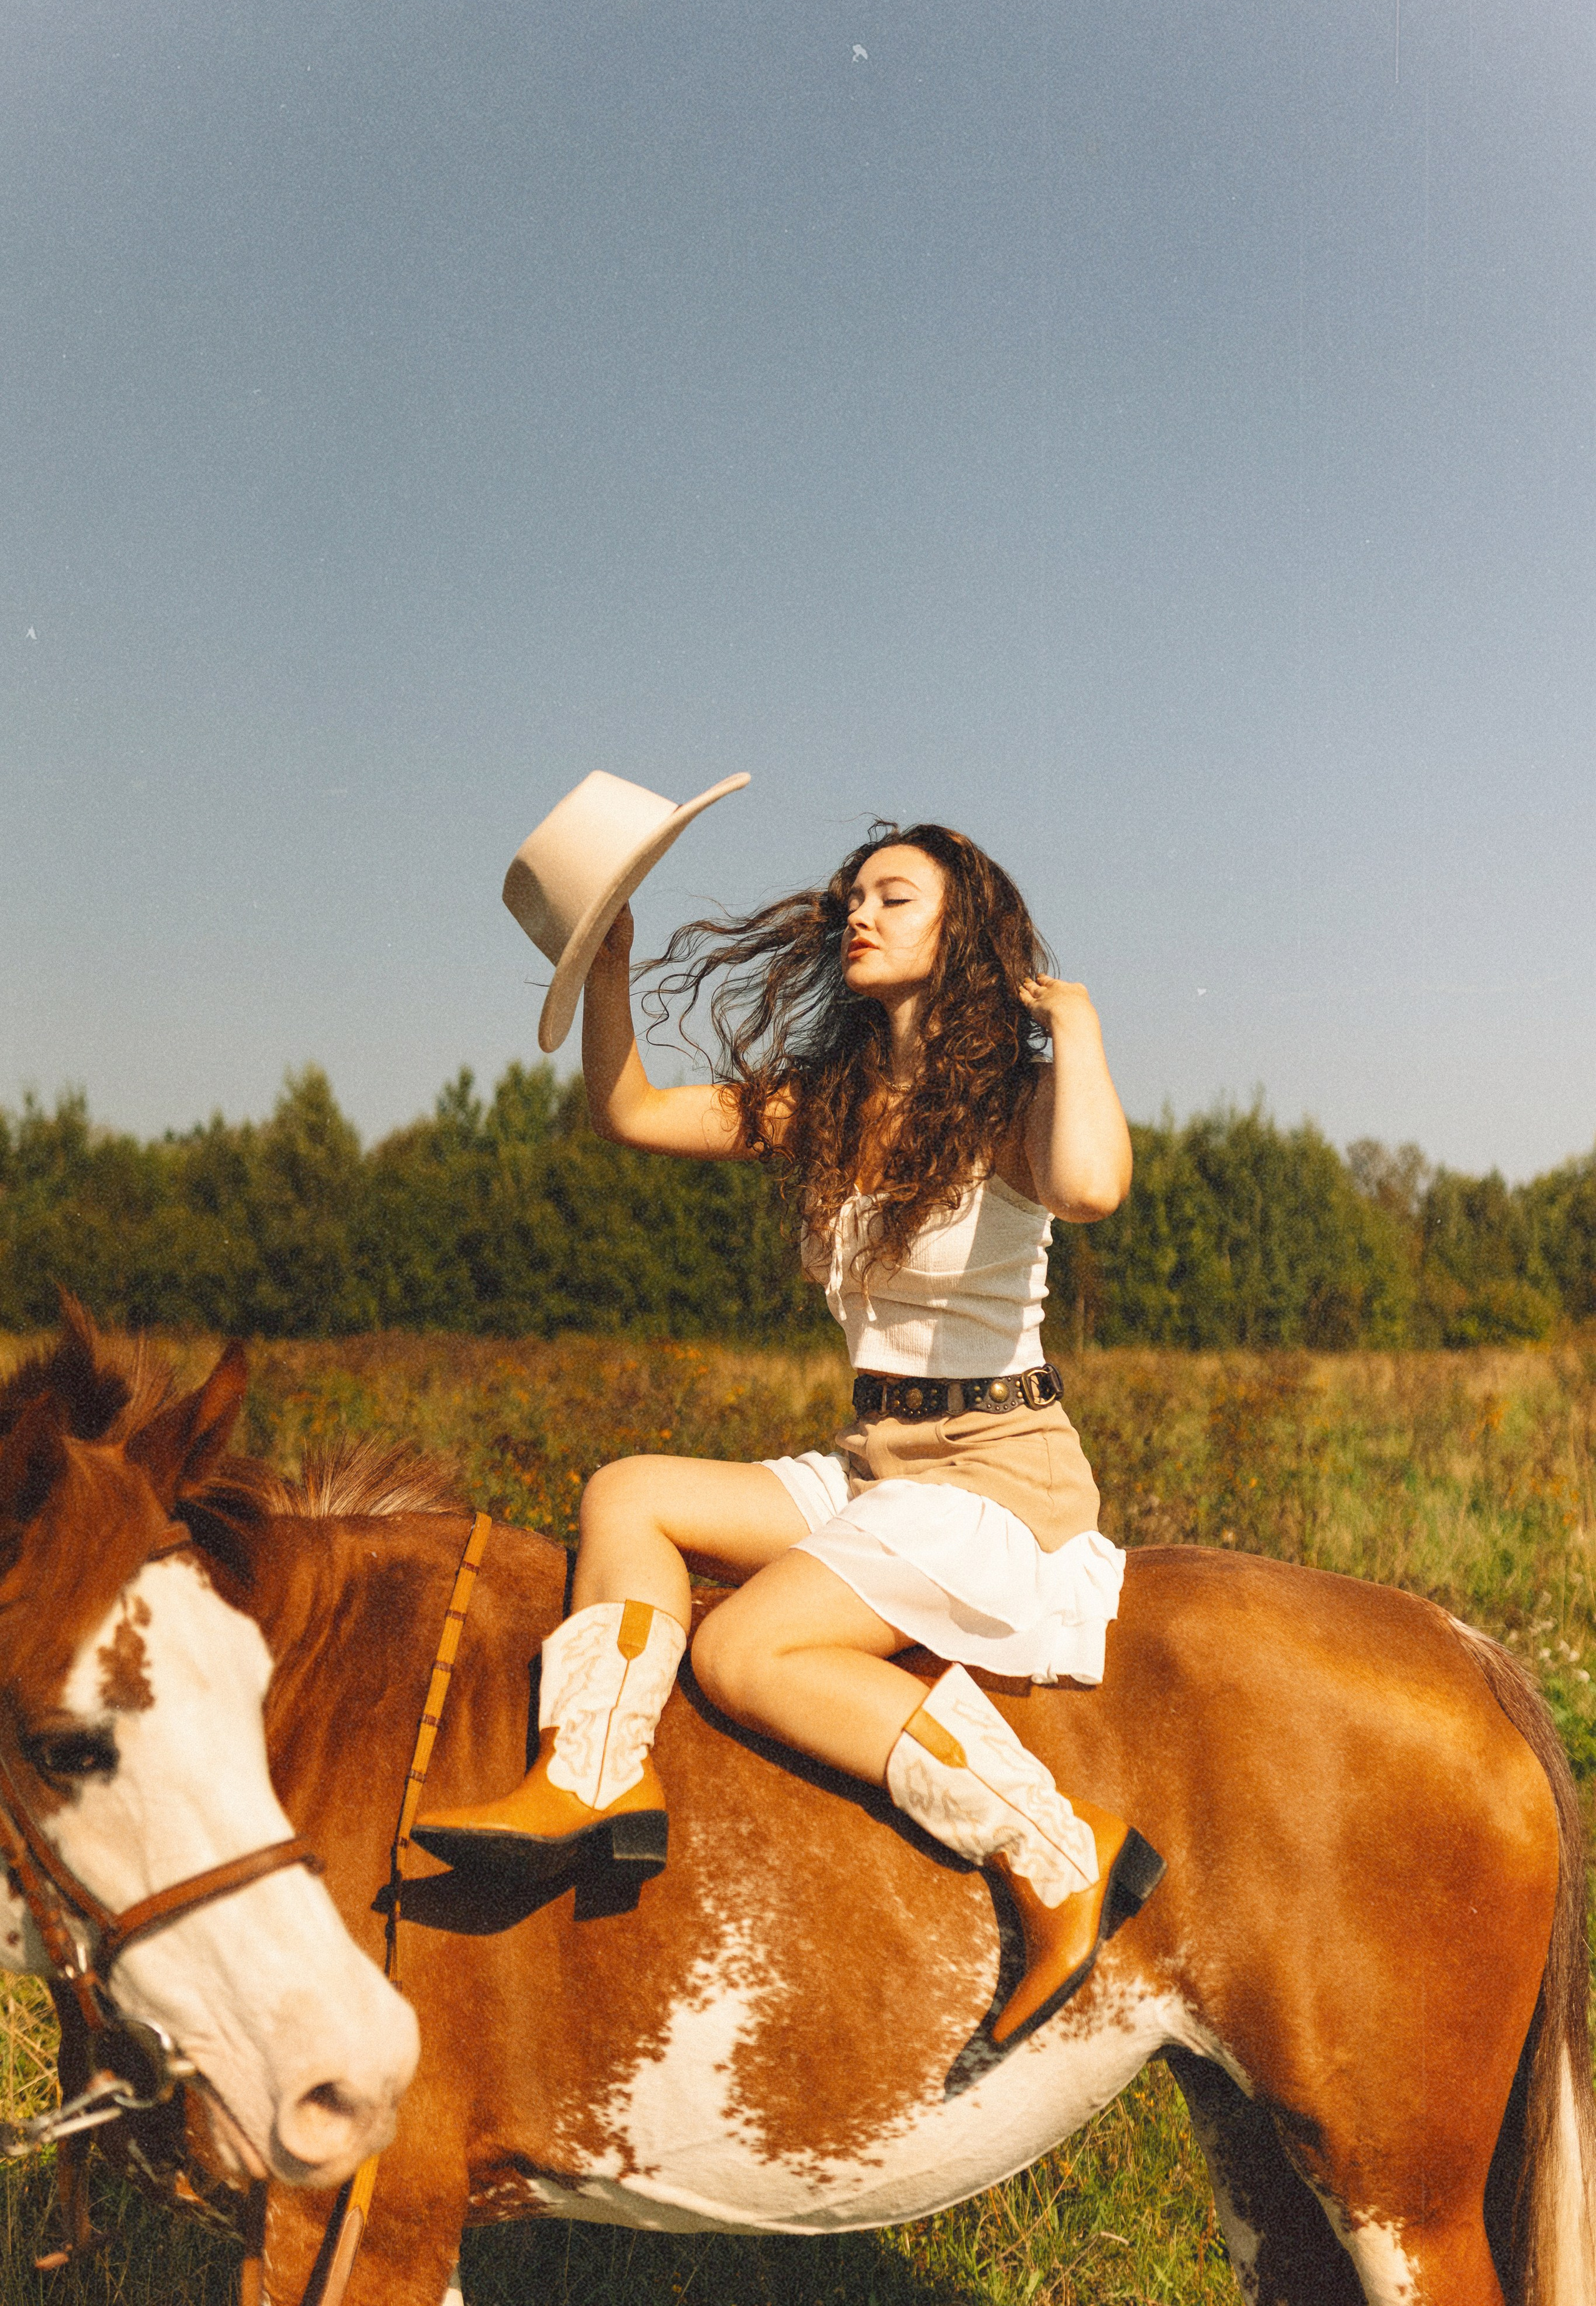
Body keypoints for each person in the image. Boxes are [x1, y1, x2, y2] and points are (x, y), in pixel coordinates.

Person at [417, 823, 1163, 2048]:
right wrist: (604, 975)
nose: (855, 917)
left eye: (892, 898)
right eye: (849, 901)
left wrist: (1072, 1033)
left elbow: (1089, 1189)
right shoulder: (828, 1105)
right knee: (628, 1494)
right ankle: (594, 1775)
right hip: (874, 1461)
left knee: (747, 1654)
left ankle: (1056, 1845)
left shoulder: (1010, 1105)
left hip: (995, 1472)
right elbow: (633, 1111)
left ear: (959, 931)